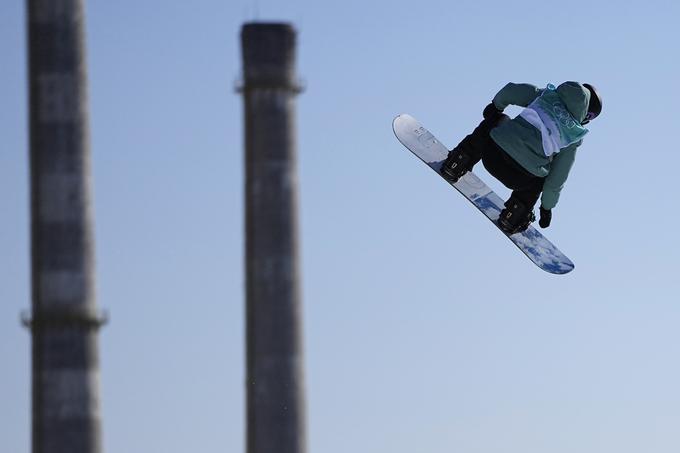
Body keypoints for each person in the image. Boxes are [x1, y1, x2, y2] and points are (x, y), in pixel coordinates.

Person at [440, 82, 602, 234]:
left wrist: (496, 107)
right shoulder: (573, 136)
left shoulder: (545, 96)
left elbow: (512, 91)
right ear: (586, 115)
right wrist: (546, 208)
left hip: (492, 155)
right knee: (545, 173)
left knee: (498, 120)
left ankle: (458, 161)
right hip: (520, 178)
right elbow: (558, 178)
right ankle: (515, 213)